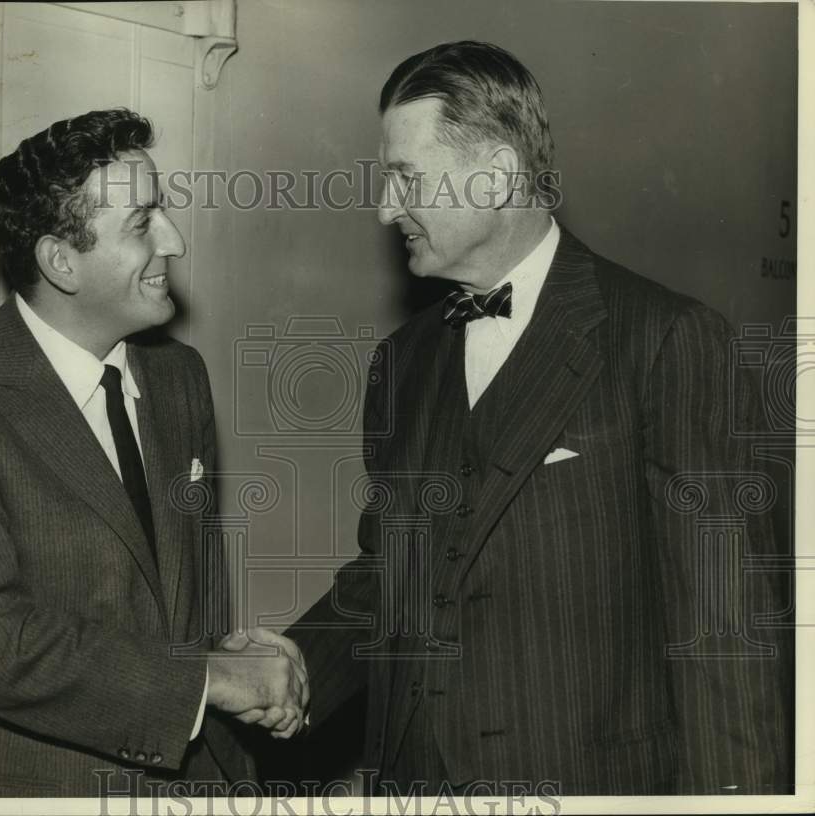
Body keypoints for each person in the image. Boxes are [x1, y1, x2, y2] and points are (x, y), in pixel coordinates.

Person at [289, 42, 790, 796]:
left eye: (404, 177)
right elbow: (392, 578)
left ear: (494, 176)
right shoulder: (402, 361)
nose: (385, 208)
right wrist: (288, 669)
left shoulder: (666, 340)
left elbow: (724, 641)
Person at [0, 108, 307, 797]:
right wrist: (209, 681)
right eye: (141, 224)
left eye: (163, 211)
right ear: (61, 261)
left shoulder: (179, 375)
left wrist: (231, 659)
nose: (174, 239)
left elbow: (181, 594)